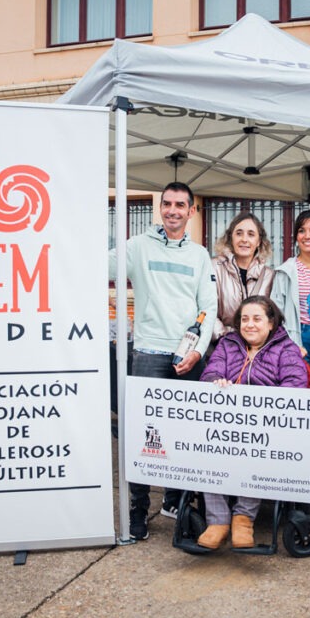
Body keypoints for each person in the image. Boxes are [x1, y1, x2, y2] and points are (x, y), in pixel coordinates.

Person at [109, 182, 217, 540]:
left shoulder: (200, 255)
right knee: (142, 436)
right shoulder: (137, 247)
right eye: (167, 204)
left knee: (187, 434)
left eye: (180, 205)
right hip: (148, 355)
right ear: (161, 208)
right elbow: (95, 267)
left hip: (188, 357)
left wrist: (198, 351)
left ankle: (176, 501)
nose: (172, 210)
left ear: (191, 211)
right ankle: (138, 511)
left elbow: (208, 307)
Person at [197, 295, 308, 549]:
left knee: (255, 453)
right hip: (227, 424)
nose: (250, 325)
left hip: (268, 429)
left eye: (257, 319)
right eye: (244, 319)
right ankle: (218, 521)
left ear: (271, 323)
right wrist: (216, 382)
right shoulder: (227, 344)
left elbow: (296, 384)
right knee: (204, 450)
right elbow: (210, 372)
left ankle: (243, 519)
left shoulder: (286, 348)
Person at [271, 209, 310, 386]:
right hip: (301, 337)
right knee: (301, 390)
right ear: (296, 236)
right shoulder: (286, 271)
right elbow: (276, 313)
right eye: (301, 230)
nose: (307, 236)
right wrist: (291, 344)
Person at [211, 211, 275, 343]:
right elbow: (207, 309)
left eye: (251, 234)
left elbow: (271, 317)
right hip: (222, 347)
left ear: (259, 241)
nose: (244, 239)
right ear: (230, 238)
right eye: (239, 233)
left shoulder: (268, 275)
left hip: (257, 350)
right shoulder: (214, 267)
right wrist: (227, 337)